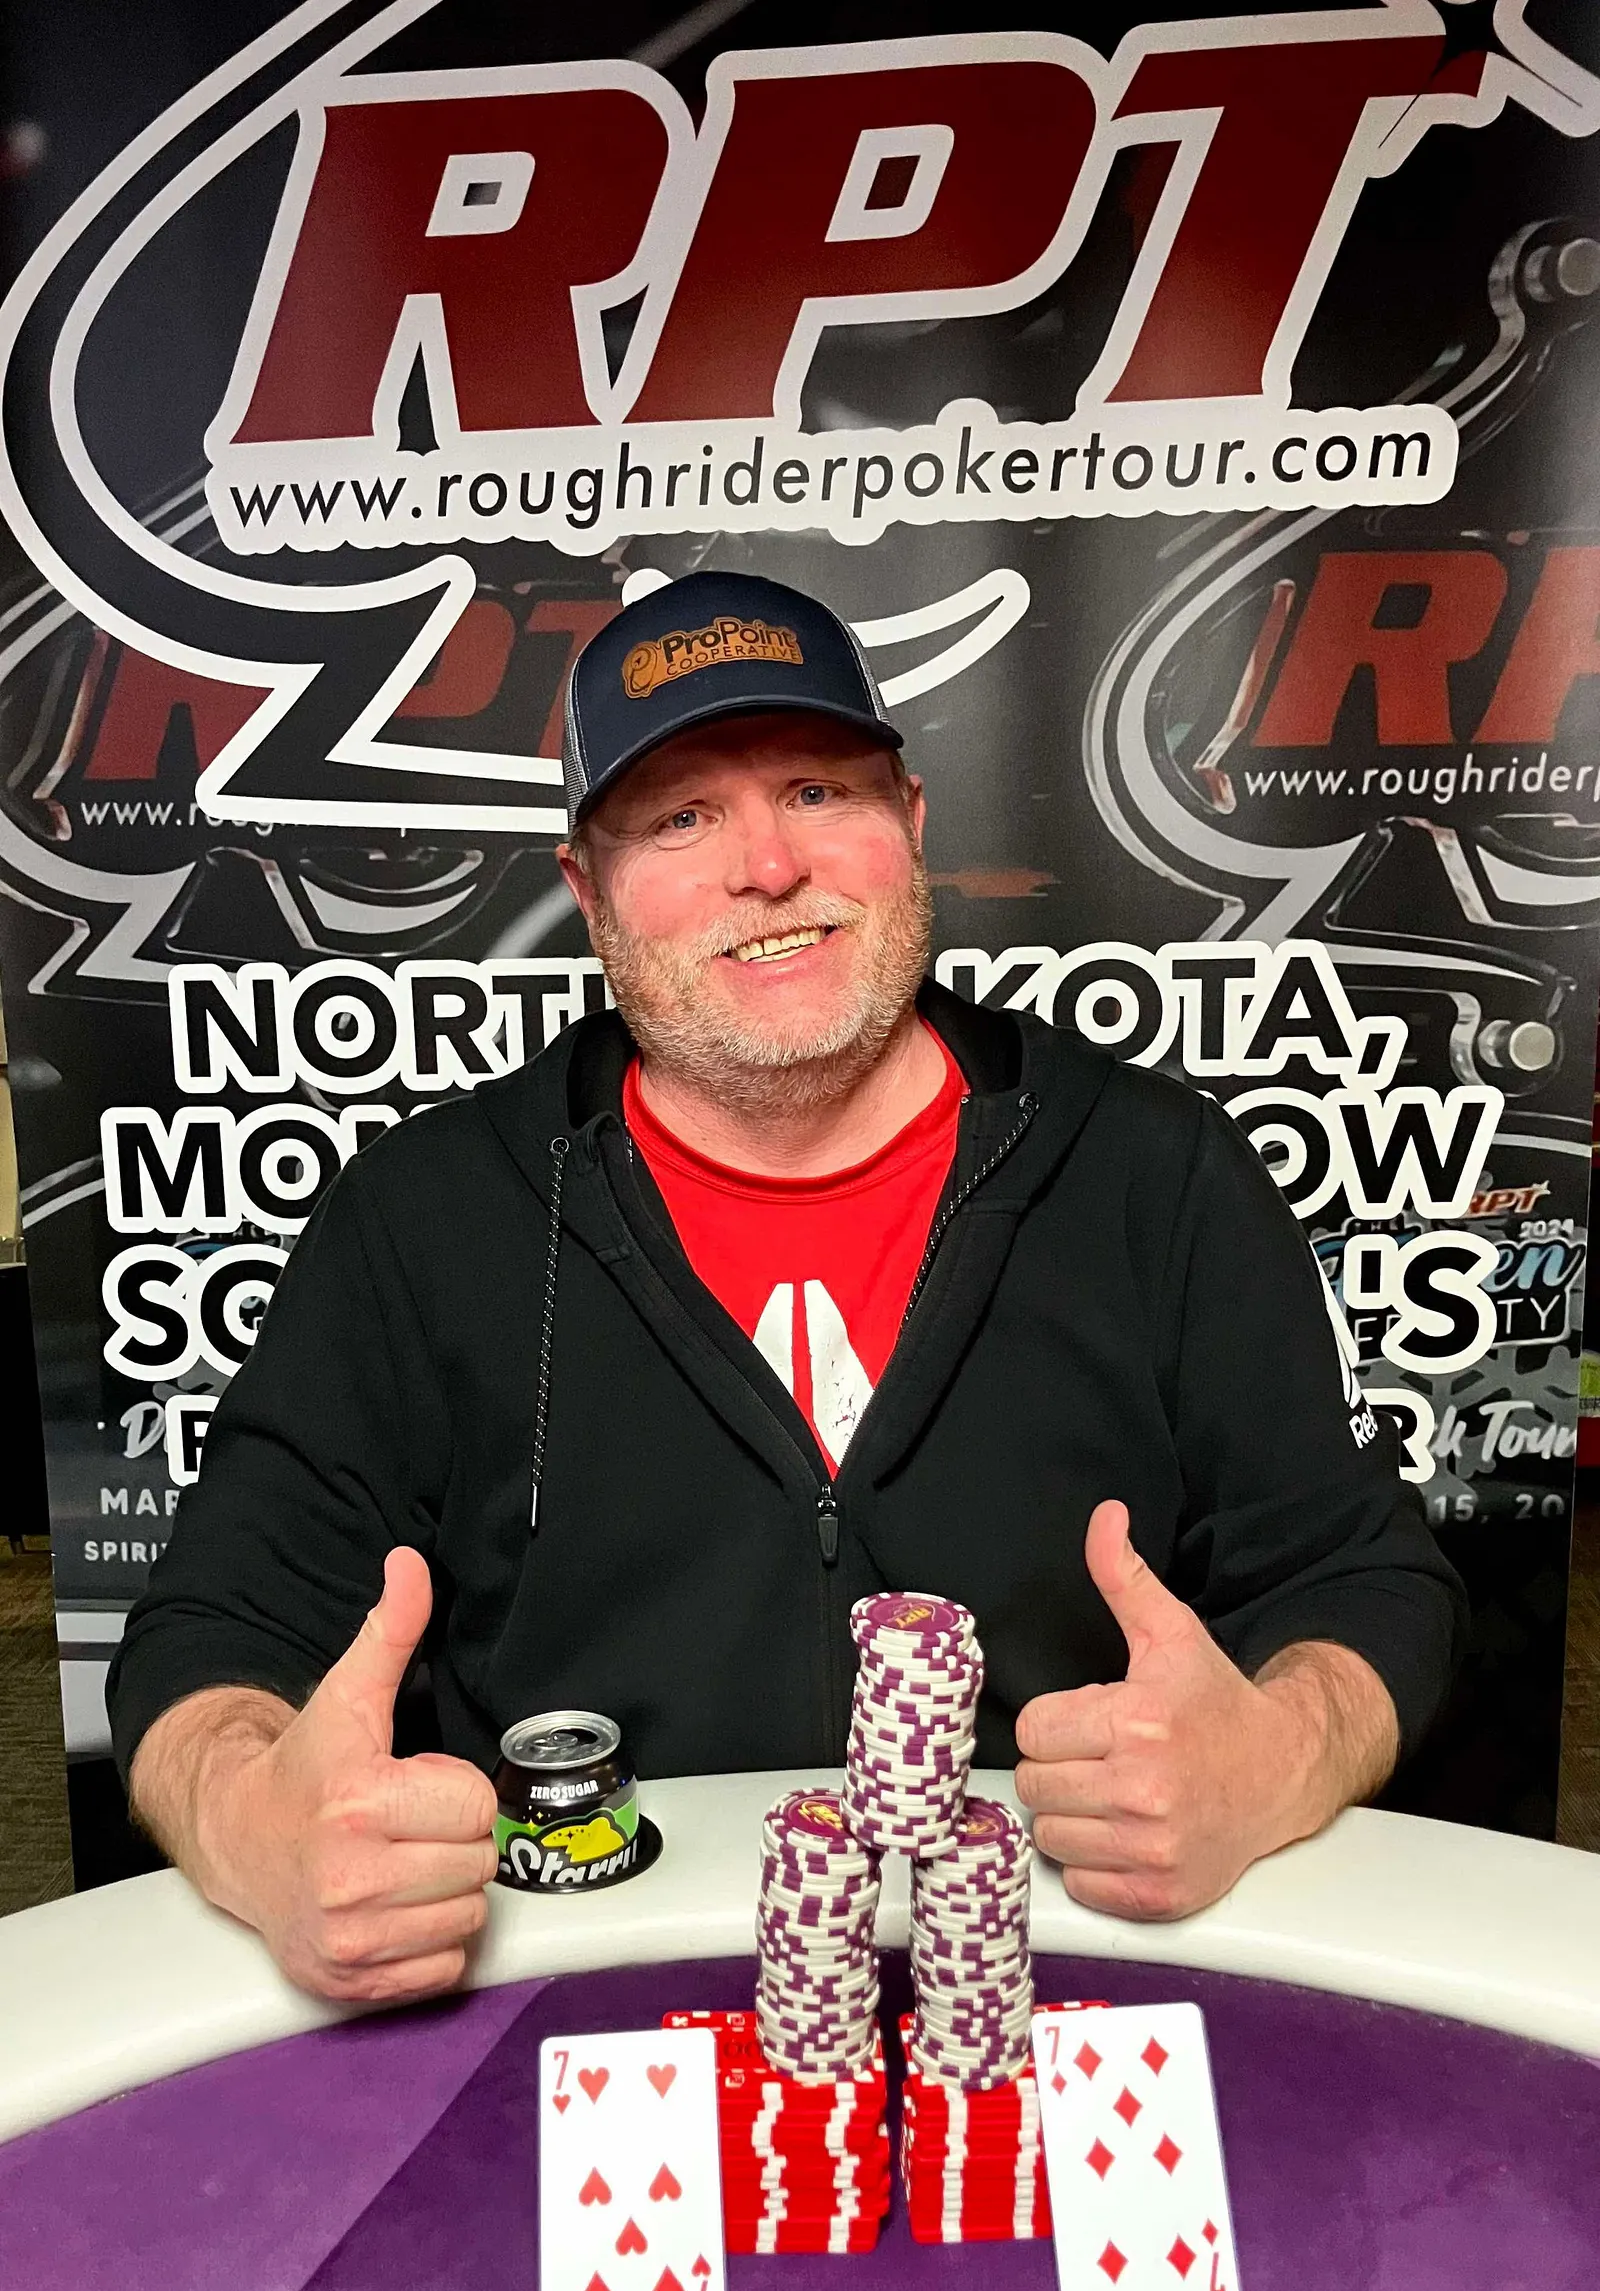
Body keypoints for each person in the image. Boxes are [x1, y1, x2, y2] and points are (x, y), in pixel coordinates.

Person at [107, 571, 1464, 2004]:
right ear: (588, 890)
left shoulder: (1153, 1170)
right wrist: (252, 1823)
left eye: (819, 792)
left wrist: (1276, 1755)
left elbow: (1363, 1581)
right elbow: (213, 1638)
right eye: (680, 818)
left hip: (1068, 1975)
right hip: (577, 2002)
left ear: (911, 822)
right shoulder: (424, 1216)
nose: (766, 865)